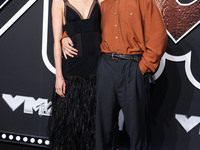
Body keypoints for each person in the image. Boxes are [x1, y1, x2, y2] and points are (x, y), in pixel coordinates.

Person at [62, 0, 168, 150]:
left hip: (132, 66)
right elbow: (88, 27)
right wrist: (65, 36)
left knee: (136, 128)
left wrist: (142, 68)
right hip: (106, 66)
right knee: (102, 128)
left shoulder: (144, 2)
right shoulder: (105, 3)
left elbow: (158, 37)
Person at [48, 0, 102, 150]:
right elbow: (56, 41)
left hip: (97, 72)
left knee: (94, 129)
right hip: (72, 72)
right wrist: (59, 76)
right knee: (68, 129)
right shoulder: (59, 2)